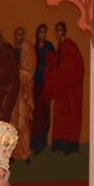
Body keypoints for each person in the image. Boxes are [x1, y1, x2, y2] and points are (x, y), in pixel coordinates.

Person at [43, 22, 84, 154]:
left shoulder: (69, 46)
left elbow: (73, 66)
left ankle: (70, 146)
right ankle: (59, 143)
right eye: (56, 30)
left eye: (60, 30)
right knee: (60, 115)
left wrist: (58, 75)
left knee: (71, 115)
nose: (58, 33)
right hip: (62, 88)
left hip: (71, 89)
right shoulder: (60, 46)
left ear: (64, 31)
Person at [30, 24, 57, 155]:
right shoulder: (34, 48)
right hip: (36, 85)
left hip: (45, 84)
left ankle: (42, 143)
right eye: (40, 32)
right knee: (36, 115)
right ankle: (35, 143)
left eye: (44, 32)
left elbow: (53, 65)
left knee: (44, 115)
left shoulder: (49, 47)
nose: (42, 35)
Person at [11, 26, 36, 162]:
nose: (18, 37)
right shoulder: (13, 49)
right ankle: (14, 153)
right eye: (16, 35)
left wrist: (16, 73)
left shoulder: (28, 50)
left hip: (24, 91)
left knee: (23, 122)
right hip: (14, 91)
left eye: (20, 35)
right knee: (13, 121)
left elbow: (29, 71)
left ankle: (25, 152)